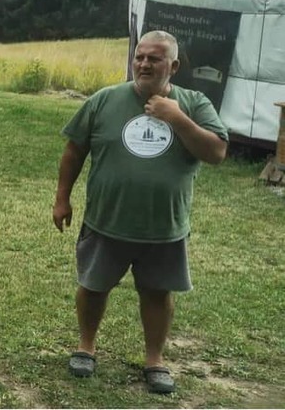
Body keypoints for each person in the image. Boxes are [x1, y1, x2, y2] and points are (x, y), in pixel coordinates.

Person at [53, 30, 227, 394]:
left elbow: (215, 153)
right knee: (93, 286)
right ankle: (85, 347)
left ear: (173, 66)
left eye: (154, 58)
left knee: (157, 293)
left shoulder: (193, 103)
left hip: (163, 226)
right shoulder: (105, 99)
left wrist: (176, 117)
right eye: (139, 56)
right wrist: (62, 198)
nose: (144, 63)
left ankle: (154, 361)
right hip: (107, 219)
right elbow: (74, 150)